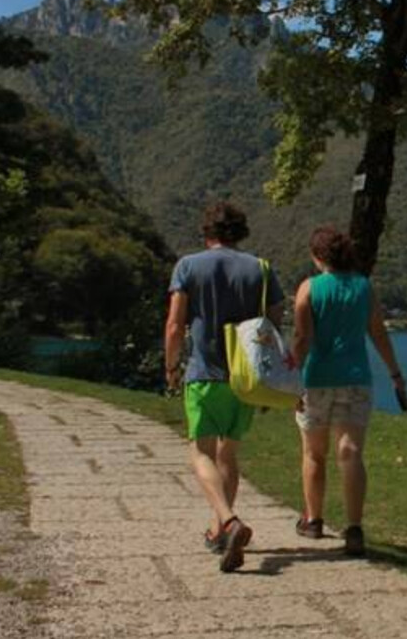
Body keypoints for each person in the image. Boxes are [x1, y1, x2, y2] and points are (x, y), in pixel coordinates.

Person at [164, 203, 284, 573]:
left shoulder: (188, 266)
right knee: (228, 455)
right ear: (240, 232)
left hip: (204, 373)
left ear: (207, 231)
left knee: (199, 452)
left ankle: (229, 522)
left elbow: (174, 325)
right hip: (244, 378)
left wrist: (170, 366)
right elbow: (274, 324)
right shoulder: (260, 268)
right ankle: (219, 531)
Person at [290, 225, 407, 556]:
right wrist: (396, 373)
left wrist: (288, 379)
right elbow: (379, 334)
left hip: (316, 379)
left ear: (317, 257)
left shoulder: (309, 289)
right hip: (356, 378)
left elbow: (301, 339)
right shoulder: (364, 288)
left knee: (314, 452)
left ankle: (313, 520)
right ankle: (354, 528)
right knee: (350, 452)